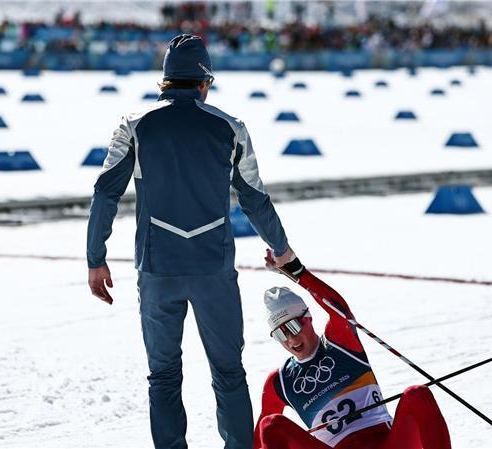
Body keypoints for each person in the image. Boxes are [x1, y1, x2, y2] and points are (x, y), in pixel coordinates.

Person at [86, 34, 296, 449]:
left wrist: (96, 257)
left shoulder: (134, 126)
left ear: (165, 81)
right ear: (205, 82)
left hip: (157, 269)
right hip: (213, 270)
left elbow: (105, 193)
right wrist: (282, 249)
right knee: (228, 373)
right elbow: (254, 198)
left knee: (163, 375)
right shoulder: (231, 128)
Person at [254, 253, 451, 449]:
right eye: (280, 334)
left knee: (417, 394)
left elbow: (339, 310)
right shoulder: (280, 382)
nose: (291, 339)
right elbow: (256, 441)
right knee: (270, 425)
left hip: (386, 444)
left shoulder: (339, 342)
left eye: (294, 326)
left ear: (308, 318)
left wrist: (298, 272)